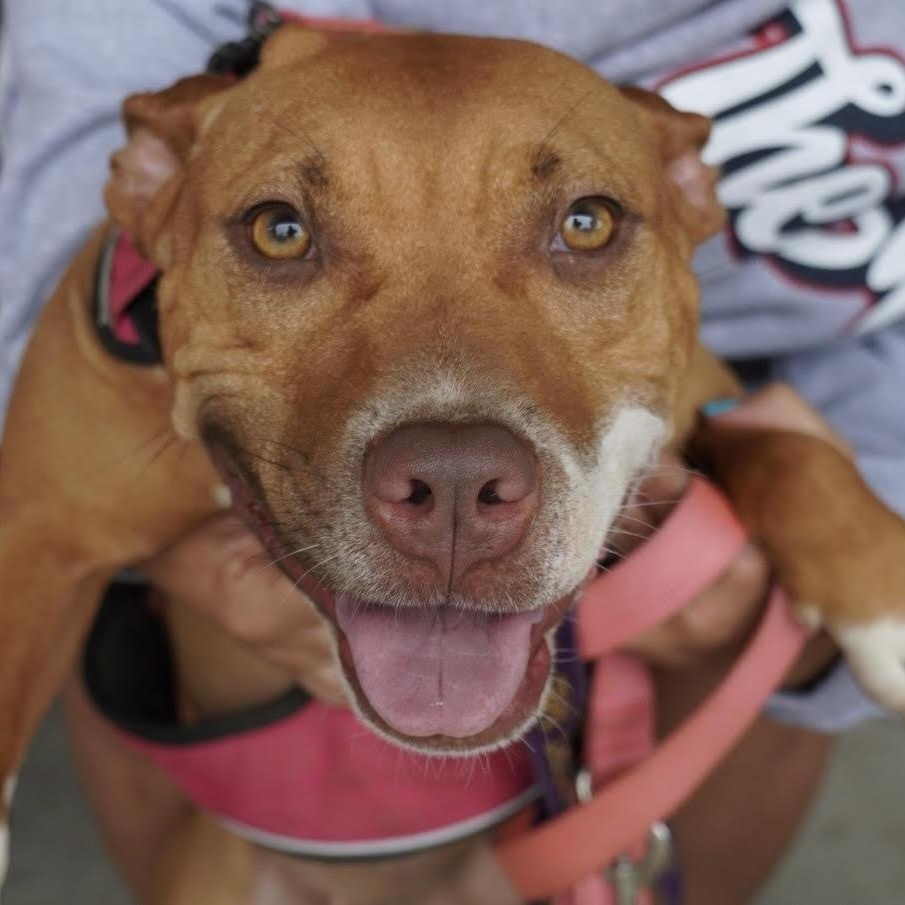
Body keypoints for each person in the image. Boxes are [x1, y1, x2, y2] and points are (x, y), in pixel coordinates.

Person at [2, 0, 903, 902]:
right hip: (242, 801)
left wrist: (827, 544)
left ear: (687, 192)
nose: (451, 473)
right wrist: (171, 541)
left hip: (662, 735)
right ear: (148, 183)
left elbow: (747, 407)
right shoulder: (185, 171)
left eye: (581, 226)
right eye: (285, 231)